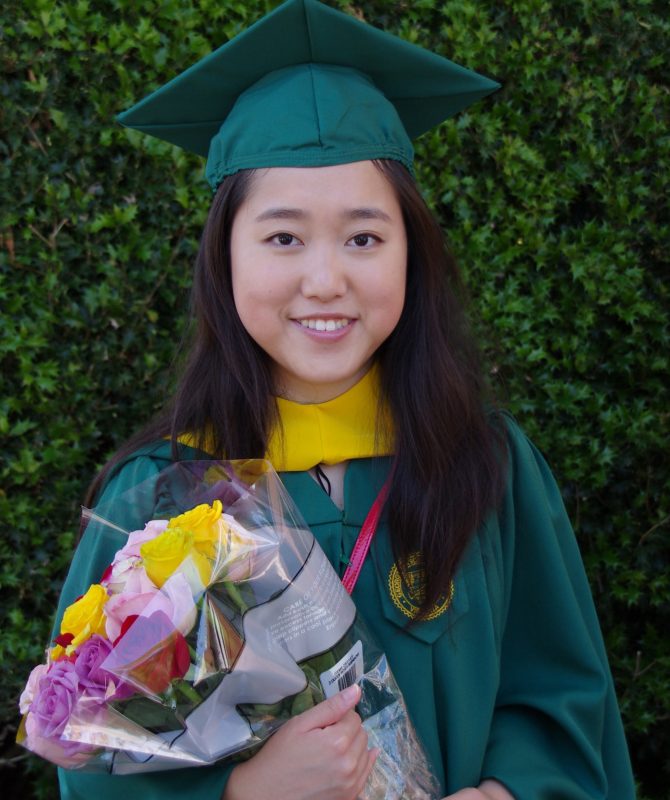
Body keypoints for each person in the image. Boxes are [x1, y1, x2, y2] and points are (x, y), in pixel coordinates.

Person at [52, 1, 635, 798]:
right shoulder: (156, 502)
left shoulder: (489, 467)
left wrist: (510, 791)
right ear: (225, 258)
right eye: (283, 237)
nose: (325, 280)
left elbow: (563, 700)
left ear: (411, 254)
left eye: (364, 237)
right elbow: (95, 764)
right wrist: (245, 791)